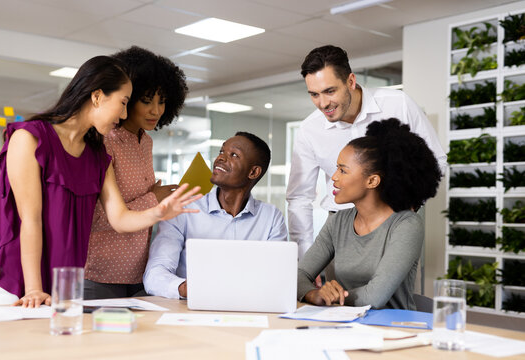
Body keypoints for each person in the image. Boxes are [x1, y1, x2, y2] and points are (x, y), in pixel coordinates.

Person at [0, 55, 202, 307]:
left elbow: (119, 219)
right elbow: (30, 220)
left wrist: (159, 211)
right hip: (16, 282)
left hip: (63, 284)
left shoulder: (97, 155)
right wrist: (34, 289)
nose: (123, 114)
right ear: (97, 96)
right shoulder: (30, 138)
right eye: (123, 103)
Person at [287, 45, 447, 261]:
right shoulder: (309, 129)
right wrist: (305, 257)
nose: (323, 103)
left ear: (350, 82)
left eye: (330, 91)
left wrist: (409, 205)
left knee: (391, 293)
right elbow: (299, 197)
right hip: (340, 226)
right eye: (314, 95)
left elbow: (436, 161)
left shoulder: (397, 104)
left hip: (395, 221)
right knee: (339, 294)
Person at [297, 118, 442, 310]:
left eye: (343, 170)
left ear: (372, 181)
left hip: (392, 331)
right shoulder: (338, 221)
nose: (334, 177)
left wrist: (331, 298)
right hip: (346, 326)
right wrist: (315, 294)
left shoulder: (406, 225)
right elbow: (299, 276)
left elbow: (375, 297)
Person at [84, 46, 188, 300]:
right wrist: (154, 198)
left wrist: (162, 199)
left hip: (140, 270)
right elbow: (94, 218)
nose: (156, 110)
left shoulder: (146, 141)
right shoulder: (103, 140)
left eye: (162, 101)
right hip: (100, 271)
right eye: (146, 100)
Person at [144, 132, 287, 299]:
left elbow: (278, 276)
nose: (220, 158)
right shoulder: (183, 209)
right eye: (221, 152)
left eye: (234, 155)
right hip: (191, 310)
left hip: (248, 309)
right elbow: (154, 274)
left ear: (253, 172)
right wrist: (184, 288)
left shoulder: (271, 218)